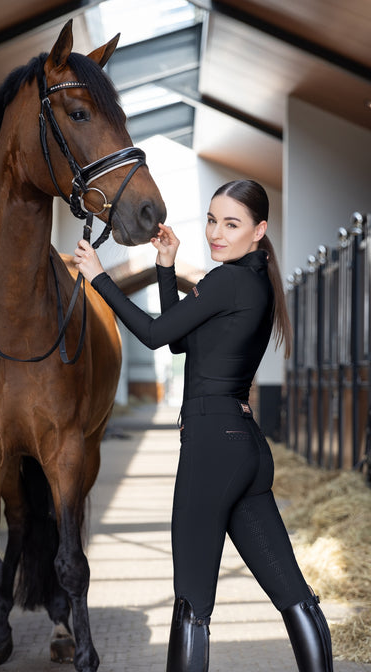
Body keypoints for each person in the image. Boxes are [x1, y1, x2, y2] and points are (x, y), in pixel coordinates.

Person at [74, 179, 333, 672]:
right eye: (212, 220)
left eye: (231, 224)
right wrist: (166, 267)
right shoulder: (251, 281)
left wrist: (98, 279)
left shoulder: (226, 281)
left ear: (258, 230)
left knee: (192, 602)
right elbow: (178, 342)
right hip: (246, 451)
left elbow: (152, 335)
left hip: (212, 447)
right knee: (294, 593)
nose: (217, 233)